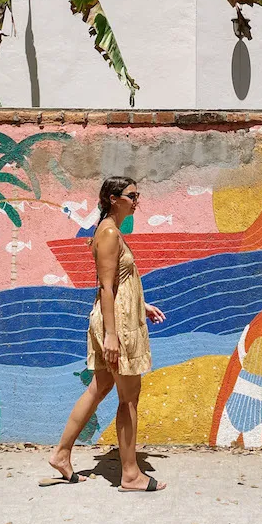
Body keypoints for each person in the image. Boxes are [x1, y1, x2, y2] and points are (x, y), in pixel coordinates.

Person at [48, 176, 167, 492]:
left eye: (137, 194)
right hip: (116, 328)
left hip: (121, 320)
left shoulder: (109, 230)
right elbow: (106, 286)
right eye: (132, 195)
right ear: (114, 198)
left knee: (99, 388)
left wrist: (142, 305)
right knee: (129, 397)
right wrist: (112, 335)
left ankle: (61, 454)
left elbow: (121, 282)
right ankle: (130, 474)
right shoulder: (110, 233)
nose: (136, 199)